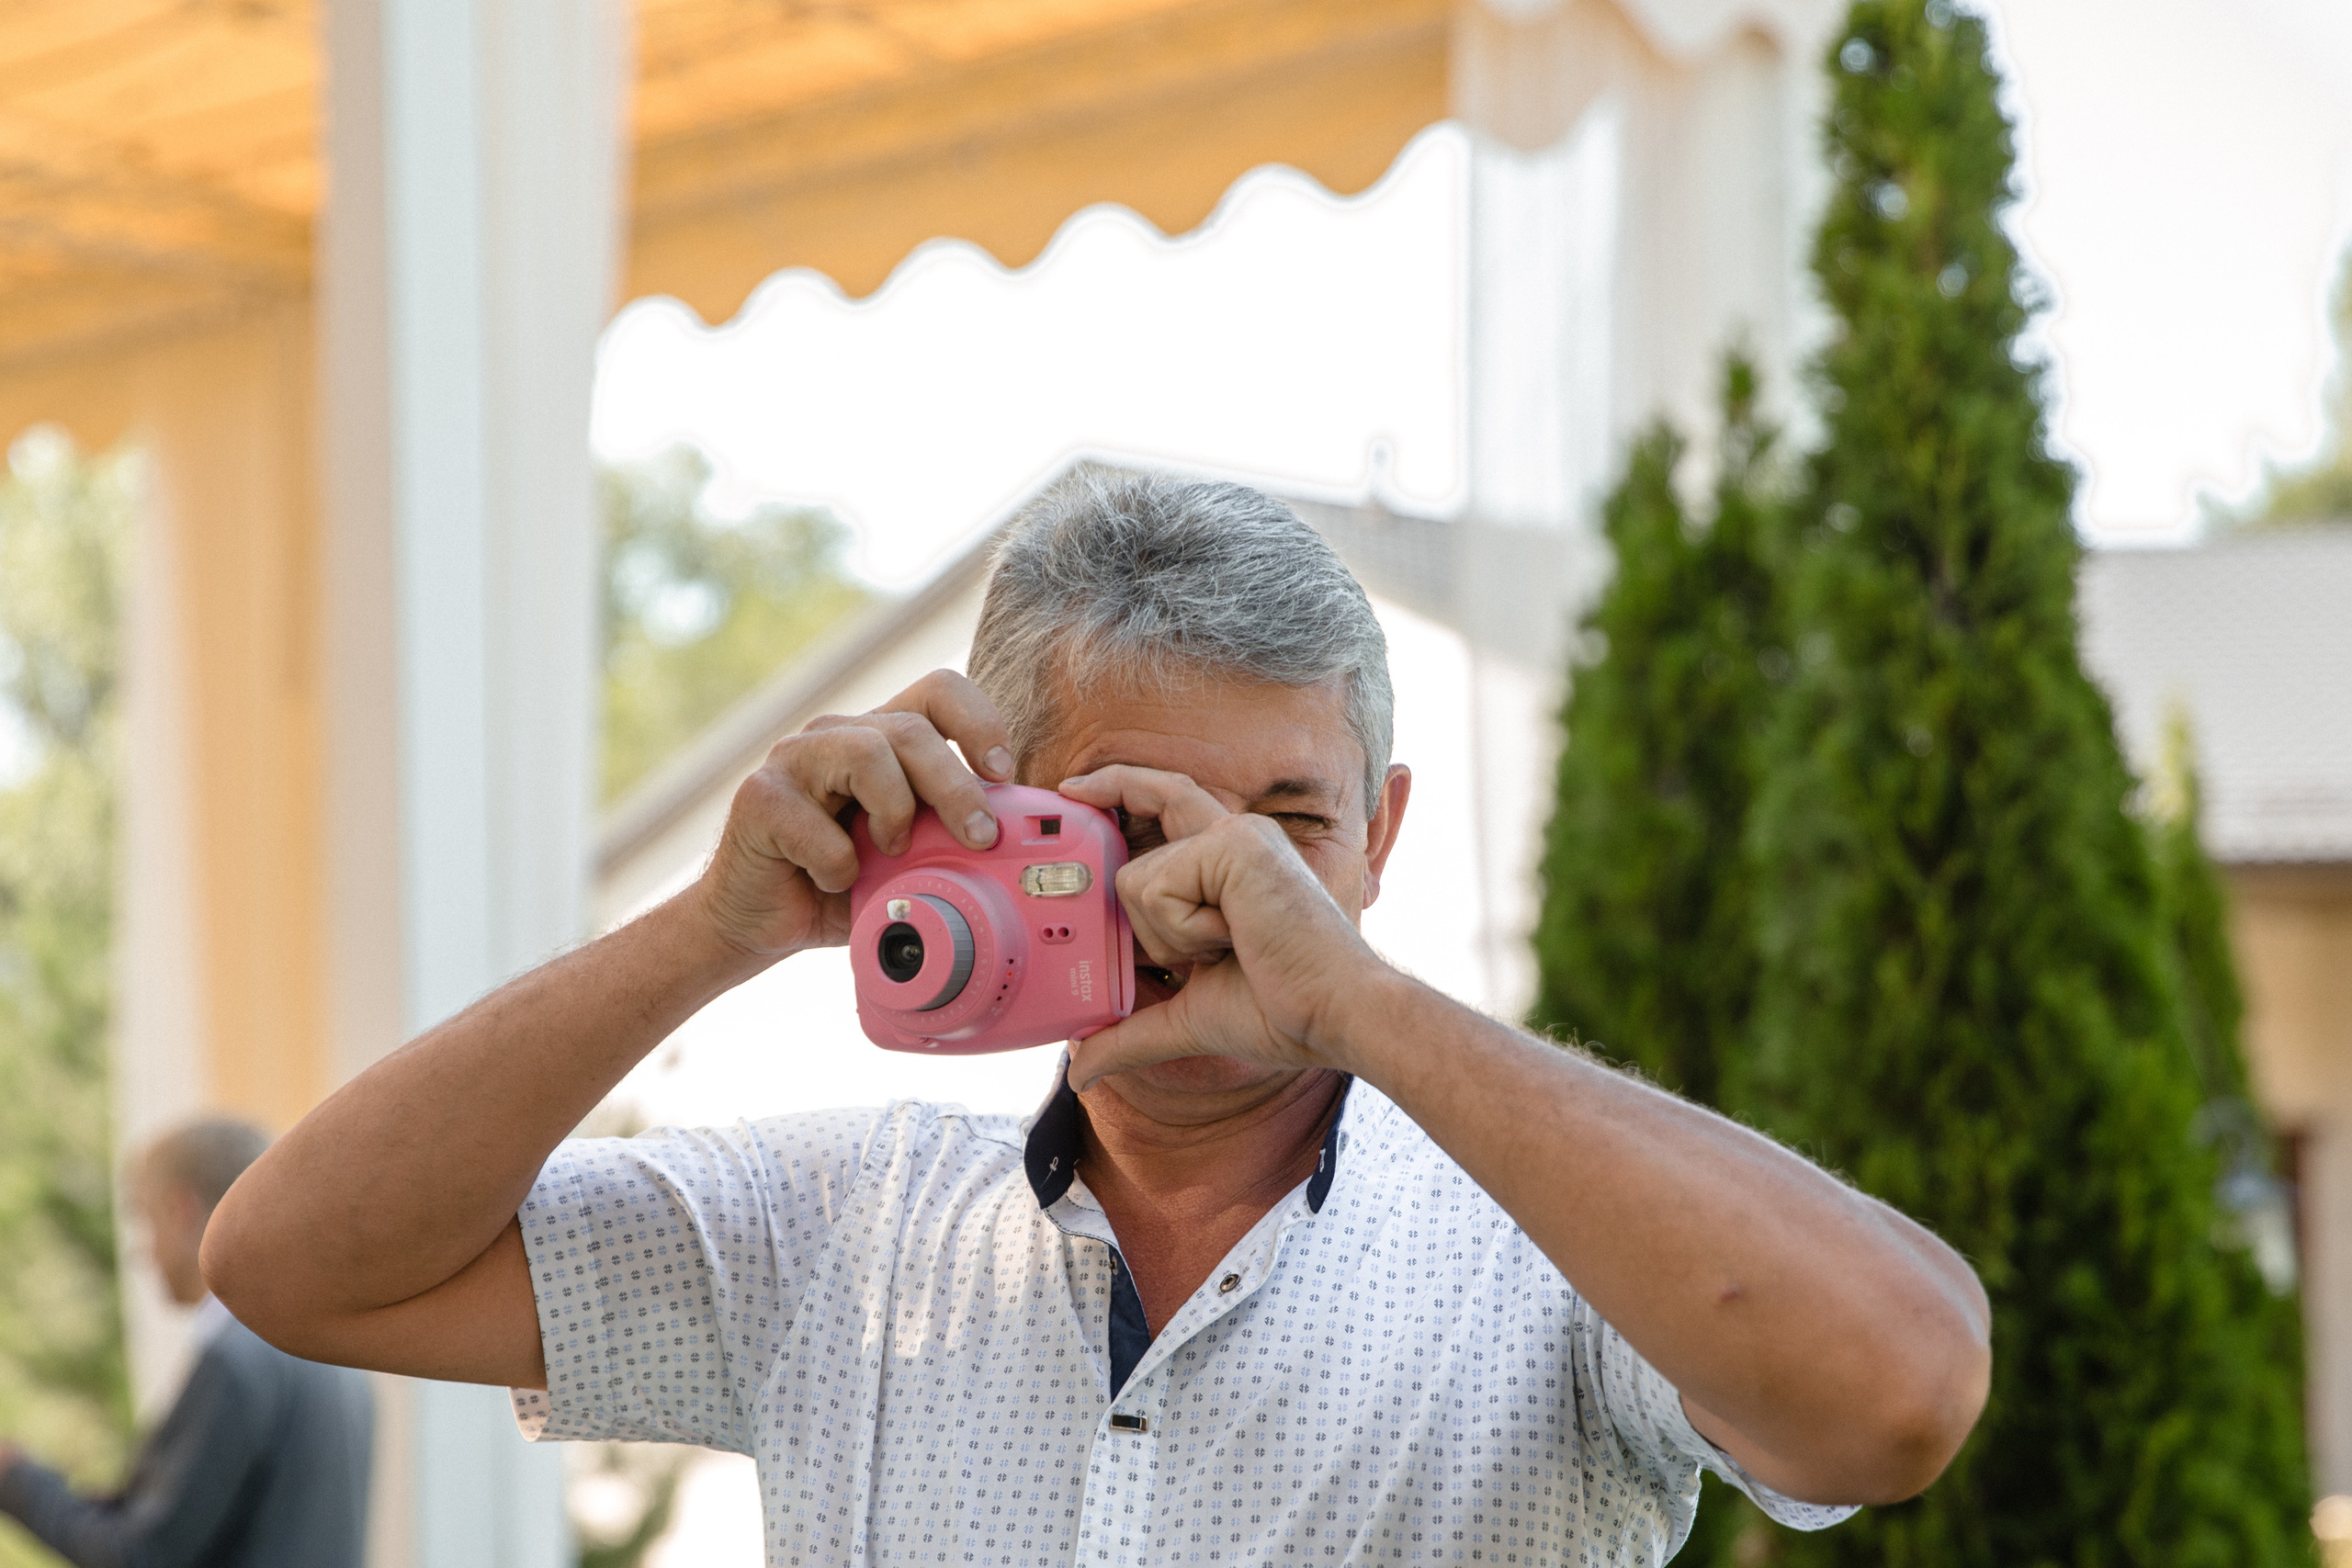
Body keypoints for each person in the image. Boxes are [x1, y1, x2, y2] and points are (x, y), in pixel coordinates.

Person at [202, 472, 1991, 1564]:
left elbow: (1898, 1393)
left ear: (1379, 837)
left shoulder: (1556, 1253)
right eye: (1130, 816)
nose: (1213, 883)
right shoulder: (835, 1232)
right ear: (978, 813)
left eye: (1286, 824)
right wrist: (708, 930)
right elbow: (292, 1261)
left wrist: (1357, 1004)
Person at [0, 1118, 373, 1568]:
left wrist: (13, 1475)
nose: (141, 1252)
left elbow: (140, 1555)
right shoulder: (333, 1352)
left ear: (181, 1211)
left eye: (145, 1220)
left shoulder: (236, 1362)